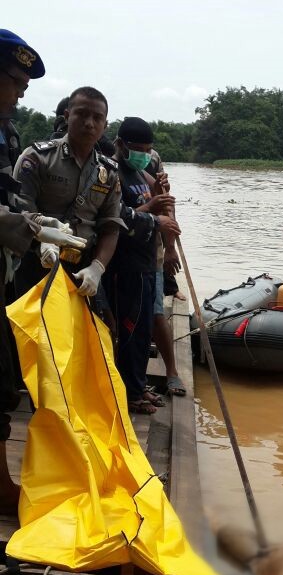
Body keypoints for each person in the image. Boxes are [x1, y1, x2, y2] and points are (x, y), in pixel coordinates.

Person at [0, 30, 86, 513]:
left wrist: (35, 223)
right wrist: (30, 228)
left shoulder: (6, 130)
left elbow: (7, 192)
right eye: (14, 82)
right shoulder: (35, 150)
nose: (20, 93)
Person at [13, 86, 125, 300]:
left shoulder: (108, 172)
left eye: (97, 117)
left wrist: (98, 267)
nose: (89, 123)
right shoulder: (37, 158)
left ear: (105, 125)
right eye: (82, 114)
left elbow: (111, 227)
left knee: (91, 332)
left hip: (83, 271)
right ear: (67, 116)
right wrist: (40, 239)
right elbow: (19, 209)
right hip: (38, 263)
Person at [103, 117, 180, 415]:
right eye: (138, 149)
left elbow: (162, 201)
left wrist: (161, 191)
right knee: (128, 331)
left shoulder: (141, 173)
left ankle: (136, 386)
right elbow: (114, 218)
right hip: (125, 267)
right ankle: (128, 393)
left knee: (143, 330)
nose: (144, 155)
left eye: (149, 150)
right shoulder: (110, 173)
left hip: (148, 264)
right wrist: (152, 210)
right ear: (121, 145)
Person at [147, 150, 186, 395]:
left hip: (153, 254)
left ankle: (172, 371)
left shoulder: (153, 166)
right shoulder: (112, 170)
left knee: (156, 312)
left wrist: (171, 248)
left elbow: (168, 212)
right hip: (123, 255)